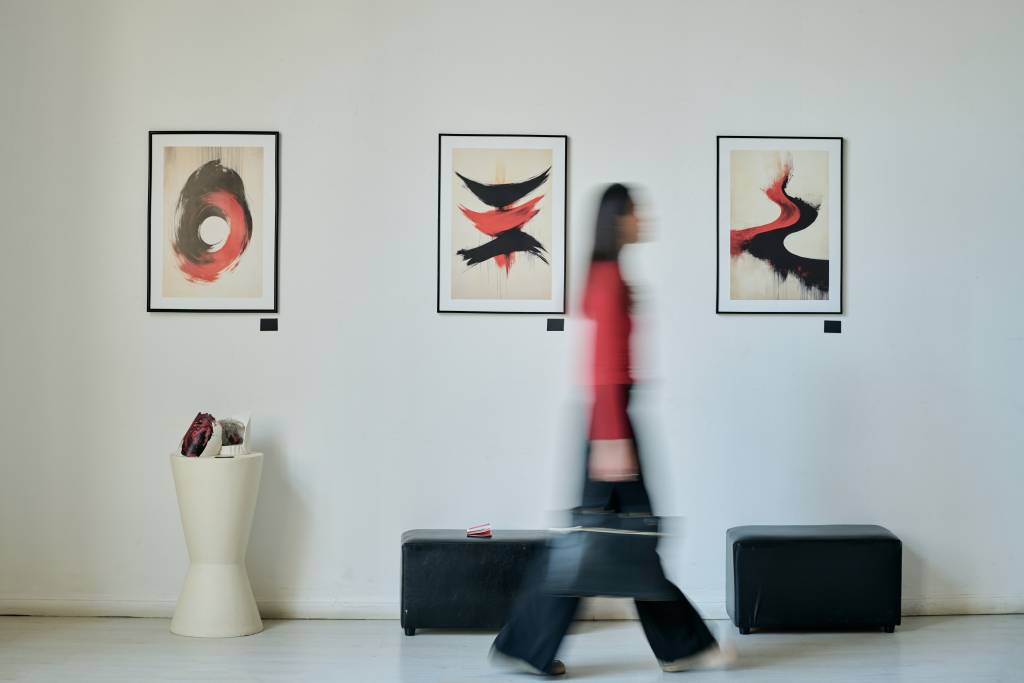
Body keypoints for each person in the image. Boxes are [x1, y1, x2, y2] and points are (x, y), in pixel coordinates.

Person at [490, 184, 736, 676]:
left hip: (612, 419)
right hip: (610, 422)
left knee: (608, 539)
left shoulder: (610, 275)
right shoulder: (606, 279)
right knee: (609, 539)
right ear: (617, 219)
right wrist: (611, 437)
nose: (644, 218)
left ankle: (529, 645)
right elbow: (603, 366)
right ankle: (680, 646)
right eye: (635, 211)